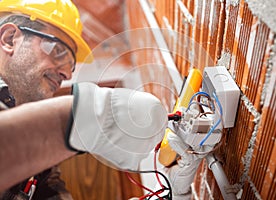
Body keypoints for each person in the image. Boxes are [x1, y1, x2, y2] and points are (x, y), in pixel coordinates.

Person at [0, 0, 167, 199]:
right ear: (9, 39)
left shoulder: (37, 148)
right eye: (58, 51)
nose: (66, 74)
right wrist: (90, 115)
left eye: (71, 65)